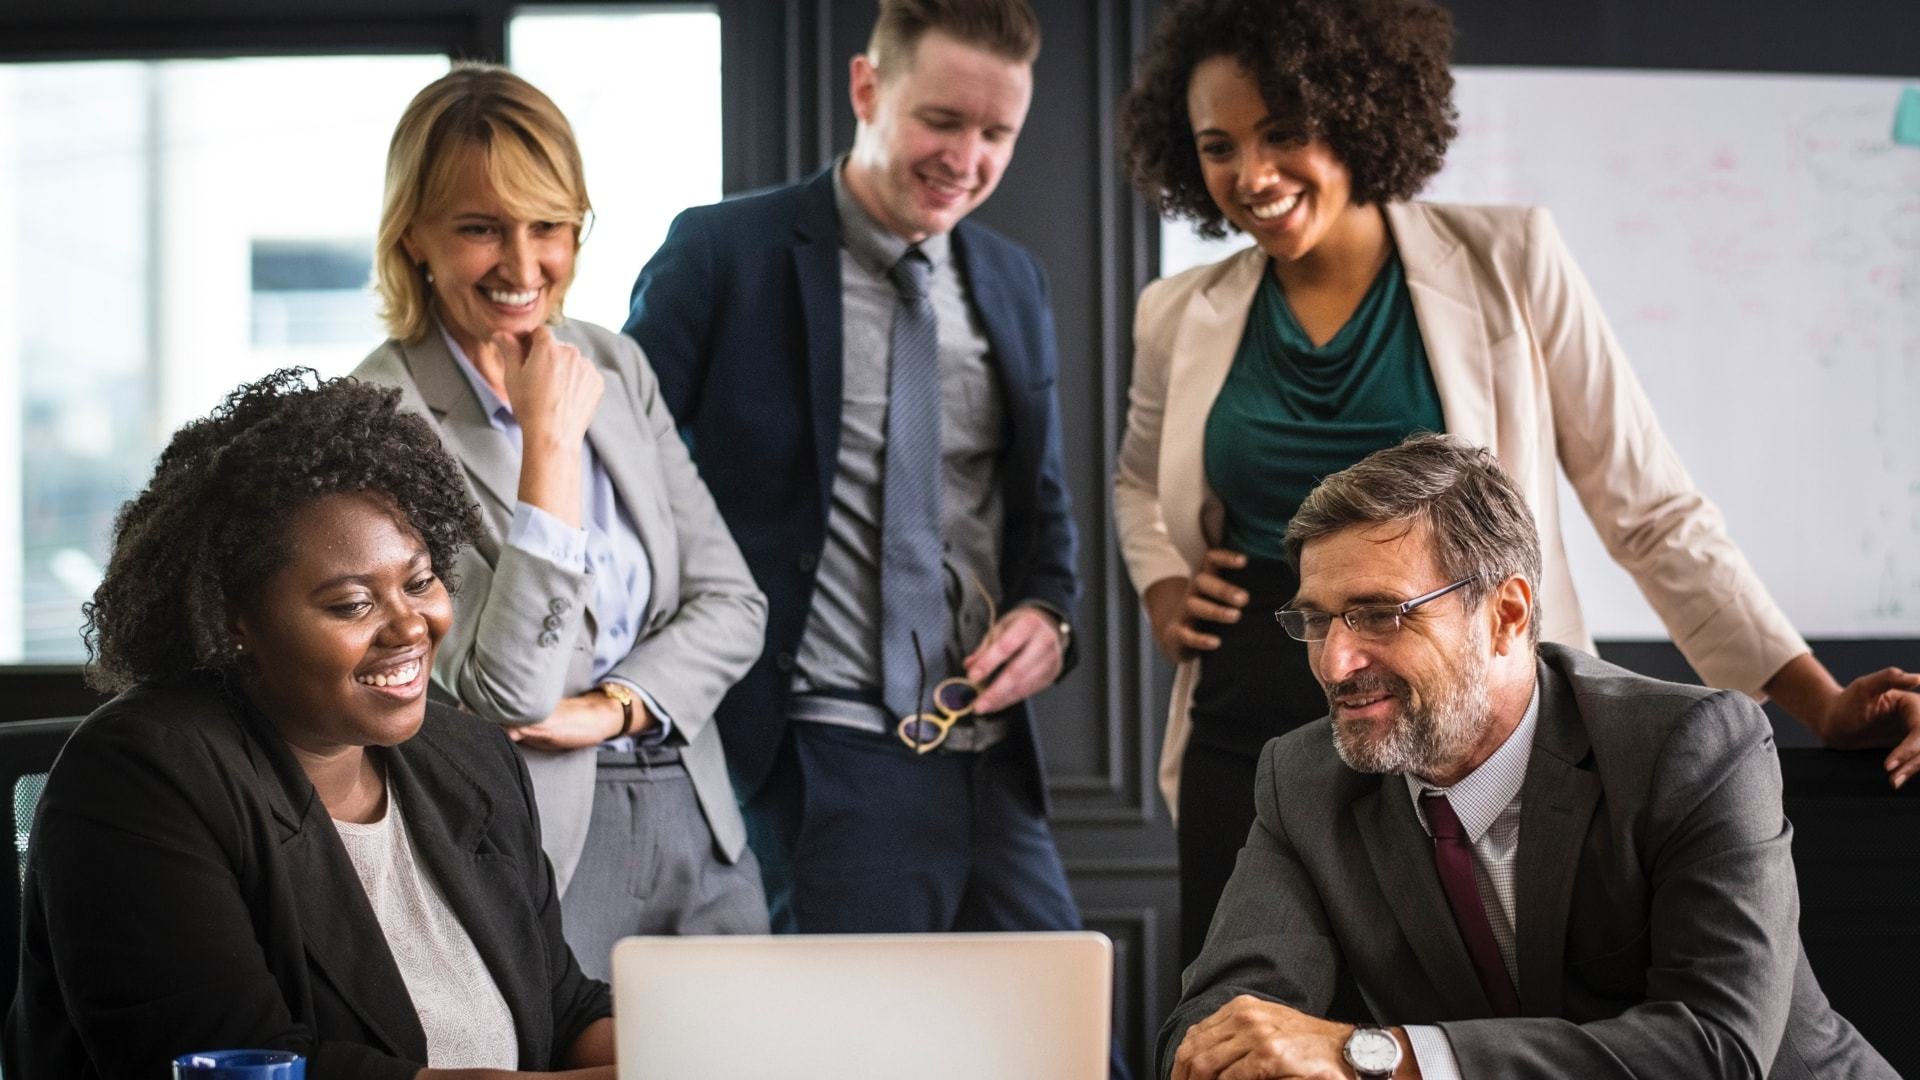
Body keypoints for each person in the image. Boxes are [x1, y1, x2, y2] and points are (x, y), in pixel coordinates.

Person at [1112, 0, 1920, 966]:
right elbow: (1136, 484)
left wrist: (1817, 701)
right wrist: (1164, 583)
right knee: (1250, 1007)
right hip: (1247, 716)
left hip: (1462, 718)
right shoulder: (1177, 312)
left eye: (1286, 133)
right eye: (1218, 146)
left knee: (1472, 1016)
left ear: (1363, 109)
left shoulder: (1509, 261)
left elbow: (1649, 509)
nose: (1252, 175)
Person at [1160, 433, 1894, 1080]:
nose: (1336, 662)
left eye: (1380, 614)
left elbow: (1716, 1048)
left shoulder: (1691, 747)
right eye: (1317, 622)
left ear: (1506, 614)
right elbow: (1219, 1024)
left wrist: (1383, 1057)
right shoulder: (1306, 780)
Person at [625, 0, 1100, 972]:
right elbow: (618, 473)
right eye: (943, 120)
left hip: (992, 762)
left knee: (1070, 1045)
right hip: (818, 760)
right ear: (866, 88)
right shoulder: (722, 254)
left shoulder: (1014, 280)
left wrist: (1053, 616)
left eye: (996, 132)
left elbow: (1042, 504)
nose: (966, 158)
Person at [5, 371, 616, 1079]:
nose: (410, 625)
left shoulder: (471, 759)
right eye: (353, 604)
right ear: (236, 620)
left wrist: (685, 1044)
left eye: (419, 582)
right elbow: (243, 1064)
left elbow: (562, 1009)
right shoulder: (139, 776)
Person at [354, 65, 771, 977]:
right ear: (415, 235)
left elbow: (733, 604)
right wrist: (548, 447)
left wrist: (614, 707)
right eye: (480, 228)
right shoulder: (379, 414)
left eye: (549, 226)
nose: (523, 263)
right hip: (537, 834)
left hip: (696, 814)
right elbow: (507, 691)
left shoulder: (613, 364)